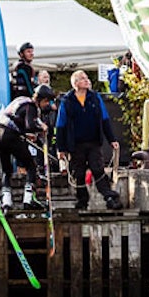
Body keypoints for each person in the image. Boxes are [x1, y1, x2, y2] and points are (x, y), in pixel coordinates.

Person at [55, 69, 122, 211]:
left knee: (98, 169)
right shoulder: (67, 101)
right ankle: (82, 200)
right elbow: (61, 125)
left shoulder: (95, 98)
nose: (87, 80)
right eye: (82, 78)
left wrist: (112, 139)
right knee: (78, 173)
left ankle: (109, 197)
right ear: (75, 83)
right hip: (75, 144)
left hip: (93, 141)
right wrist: (61, 148)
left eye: (86, 78)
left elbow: (104, 119)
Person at [0, 86, 53, 209]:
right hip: (11, 135)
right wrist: (42, 128)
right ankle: (28, 199)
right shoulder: (31, 106)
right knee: (31, 166)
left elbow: (17, 119)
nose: (46, 104)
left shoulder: (21, 99)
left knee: (6, 170)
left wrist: (25, 134)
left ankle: (6, 201)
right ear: (41, 99)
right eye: (46, 101)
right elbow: (30, 125)